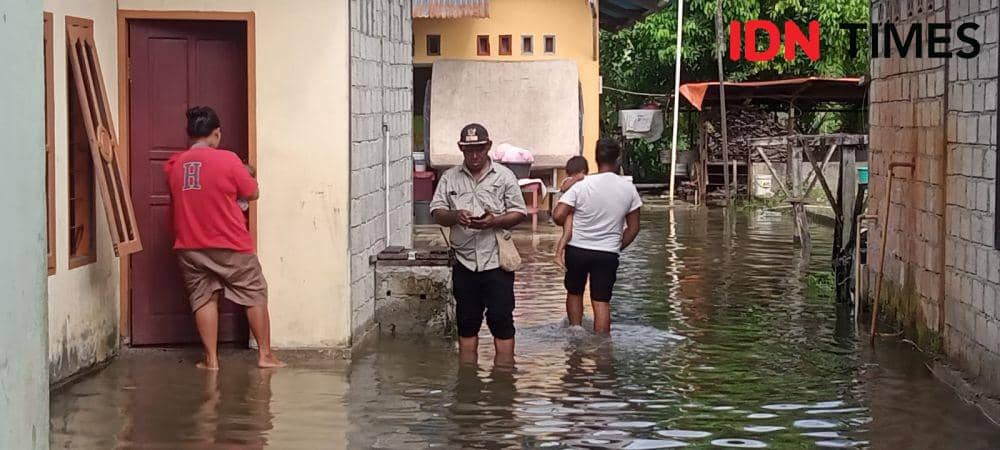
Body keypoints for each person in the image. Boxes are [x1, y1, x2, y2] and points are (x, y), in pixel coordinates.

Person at [165, 106, 284, 370]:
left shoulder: (174, 165)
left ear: (190, 134)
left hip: (189, 244)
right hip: (229, 242)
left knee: (204, 297)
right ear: (216, 133)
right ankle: (265, 355)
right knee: (254, 291)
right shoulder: (229, 160)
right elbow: (252, 192)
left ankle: (211, 360)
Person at [429, 123, 527, 365]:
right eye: (468, 150)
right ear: (461, 149)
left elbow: (519, 213)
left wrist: (495, 221)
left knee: (502, 321)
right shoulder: (449, 178)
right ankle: (468, 381)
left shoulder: (504, 176)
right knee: (467, 322)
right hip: (464, 262)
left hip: (497, 261)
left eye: (479, 149)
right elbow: (436, 211)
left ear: (488, 147)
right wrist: (455, 216)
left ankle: (503, 381)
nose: (474, 155)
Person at [552, 139, 642, 334]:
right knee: (601, 302)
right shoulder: (628, 189)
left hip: (577, 250)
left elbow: (558, 215)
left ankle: (575, 337)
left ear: (596, 158)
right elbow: (634, 228)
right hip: (607, 253)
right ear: (617, 159)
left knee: (574, 293)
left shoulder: (581, 185)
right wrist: (615, 246)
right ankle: (602, 350)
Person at [554, 156, 590, 269]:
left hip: (575, 211)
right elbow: (564, 188)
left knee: (573, 236)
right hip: (566, 212)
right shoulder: (569, 181)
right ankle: (558, 255)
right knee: (567, 234)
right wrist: (576, 179)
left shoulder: (587, 182)